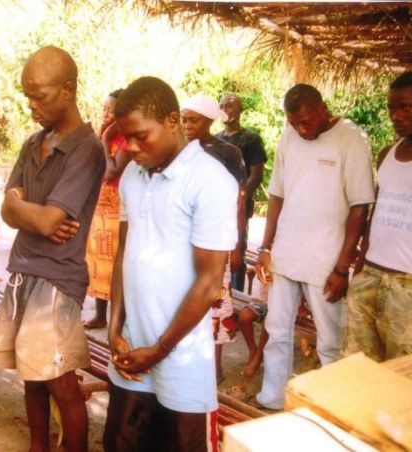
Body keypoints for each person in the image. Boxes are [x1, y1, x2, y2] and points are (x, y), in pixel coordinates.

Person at [104, 77, 238, 451]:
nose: (130, 148)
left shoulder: (210, 181)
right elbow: (123, 254)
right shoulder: (133, 173)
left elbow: (210, 282)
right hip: (131, 351)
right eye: (125, 137)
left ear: (172, 121)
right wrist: (114, 328)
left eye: (140, 136)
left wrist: (160, 350)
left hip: (181, 363)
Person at [0, 46, 104, 452]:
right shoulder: (33, 141)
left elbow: (53, 223)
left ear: (68, 91)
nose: (31, 105)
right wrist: (22, 209)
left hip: (57, 277)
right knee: (29, 373)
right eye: (27, 96)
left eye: (40, 96)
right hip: (24, 270)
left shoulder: (87, 148)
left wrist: (23, 207)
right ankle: (39, 447)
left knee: (59, 379)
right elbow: (7, 210)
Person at [254, 84, 374, 410]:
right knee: (276, 330)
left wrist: (341, 267)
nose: (301, 130)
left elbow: (360, 207)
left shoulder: (352, 139)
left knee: (330, 342)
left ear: (322, 108)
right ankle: (273, 398)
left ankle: (329, 409)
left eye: (306, 121)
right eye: (294, 124)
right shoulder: (290, 136)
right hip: (285, 254)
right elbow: (276, 194)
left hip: (326, 263)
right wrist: (266, 247)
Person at [343, 71, 412, 360]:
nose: (397, 115)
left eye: (405, 107)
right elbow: (376, 214)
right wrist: (359, 270)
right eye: (392, 107)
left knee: (405, 374)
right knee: (357, 368)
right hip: (369, 277)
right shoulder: (386, 155)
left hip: (409, 283)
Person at [180, 93, 247, 384]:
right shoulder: (179, 150)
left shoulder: (227, 153)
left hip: (216, 240)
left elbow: (239, 201)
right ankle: (189, 362)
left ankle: (215, 367)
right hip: (185, 239)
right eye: (183, 119)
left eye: (193, 120)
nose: (186, 125)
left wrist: (236, 246)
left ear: (208, 121)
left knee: (216, 301)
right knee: (186, 299)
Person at [84, 89, 131, 329]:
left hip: (116, 209)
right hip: (99, 207)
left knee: (114, 264)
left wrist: (104, 141)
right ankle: (100, 315)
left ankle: (117, 318)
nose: (105, 114)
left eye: (111, 110)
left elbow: (113, 171)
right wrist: (100, 137)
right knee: (98, 263)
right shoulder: (102, 134)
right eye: (104, 109)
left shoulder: (125, 140)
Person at [217, 94, 268, 292]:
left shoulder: (251, 139)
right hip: (218, 205)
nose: (225, 110)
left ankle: (236, 297)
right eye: (221, 106)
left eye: (229, 106)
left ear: (240, 109)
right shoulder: (216, 139)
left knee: (237, 248)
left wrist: (240, 197)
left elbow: (256, 175)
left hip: (239, 205)